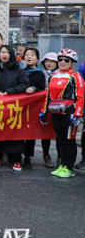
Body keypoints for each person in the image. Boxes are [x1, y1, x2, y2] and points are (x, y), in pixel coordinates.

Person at [41, 49, 84, 179]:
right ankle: (63, 165)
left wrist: (77, 114)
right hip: (55, 112)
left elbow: (81, 97)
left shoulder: (76, 77)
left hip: (69, 113)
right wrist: (43, 112)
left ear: (72, 62)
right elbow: (48, 95)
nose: (62, 62)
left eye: (66, 60)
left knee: (69, 140)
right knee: (60, 139)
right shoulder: (53, 76)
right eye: (60, 59)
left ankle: (68, 167)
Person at [0, 45, 30, 171]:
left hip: (14, 105)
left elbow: (24, 84)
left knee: (14, 132)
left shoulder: (18, 68)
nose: (4, 55)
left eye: (7, 53)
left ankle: (15, 159)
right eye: (2, 52)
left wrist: (9, 91)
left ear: (12, 55)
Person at [22, 47, 47, 170]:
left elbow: (41, 88)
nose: (29, 57)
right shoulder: (19, 71)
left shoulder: (39, 74)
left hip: (32, 108)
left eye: (32, 55)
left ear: (37, 58)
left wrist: (34, 88)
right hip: (19, 107)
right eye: (27, 55)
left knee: (30, 133)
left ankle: (28, 157)